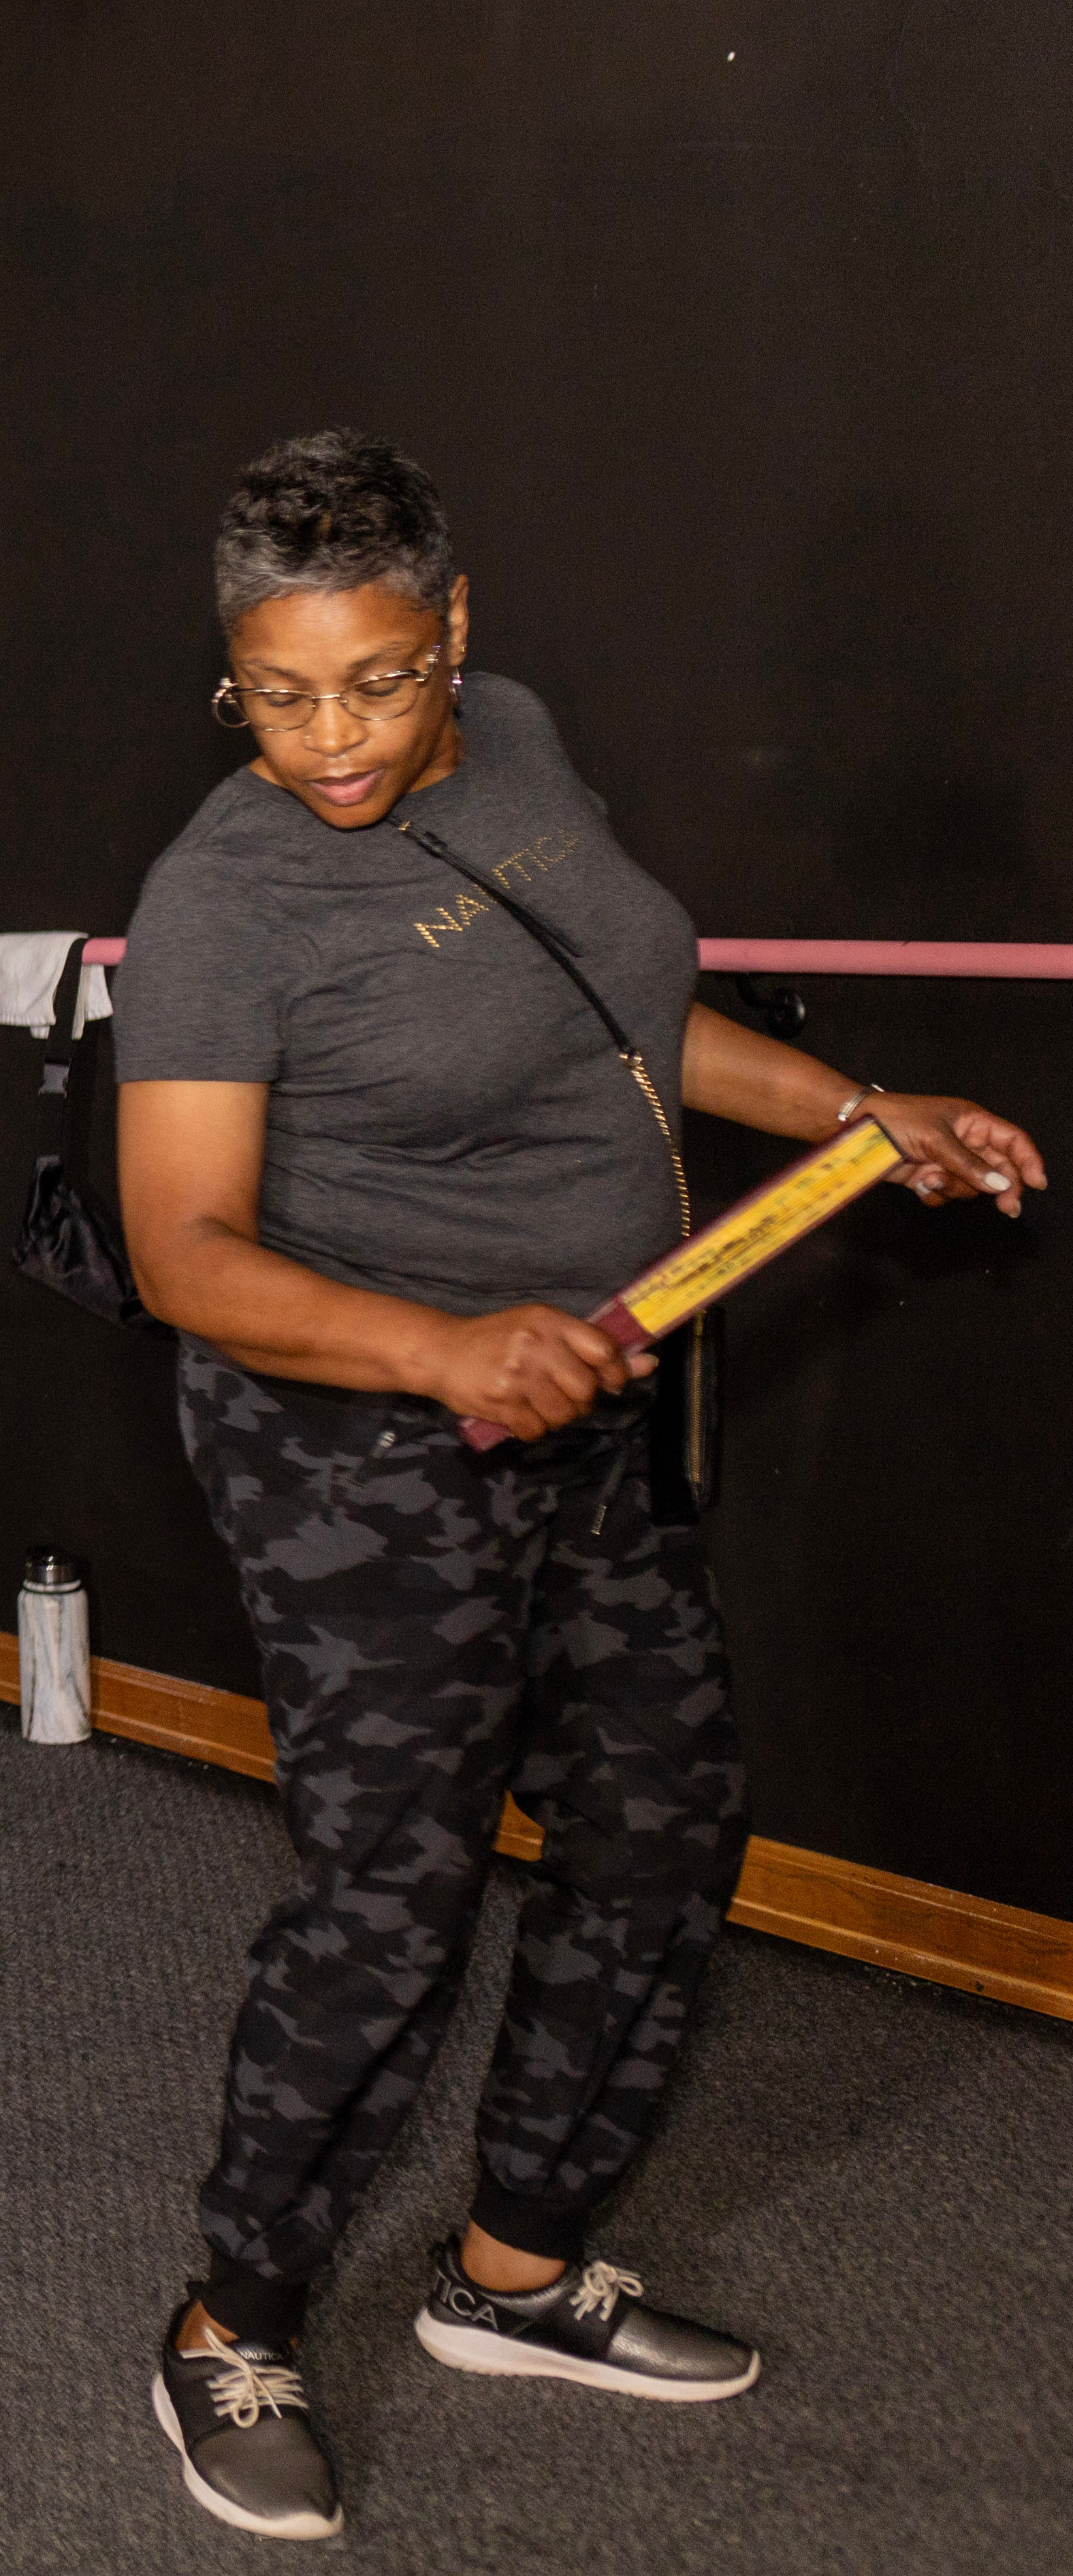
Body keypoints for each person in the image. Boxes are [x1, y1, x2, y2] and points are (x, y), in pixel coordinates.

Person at [112, 430, 1044, 2543]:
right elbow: (187, 1254)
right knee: (397, 1889)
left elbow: (625, 1015)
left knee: (663, 1817)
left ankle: (517, 2271)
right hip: (365, 1438)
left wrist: (854, 1112)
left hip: (592, 1397)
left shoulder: (517, 745)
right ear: (231, 675)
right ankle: (229, 2320)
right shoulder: (223, 902)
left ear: (458, 634)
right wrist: (449, 1347)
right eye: (278, 690)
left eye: (375, 678)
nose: (332, 736)